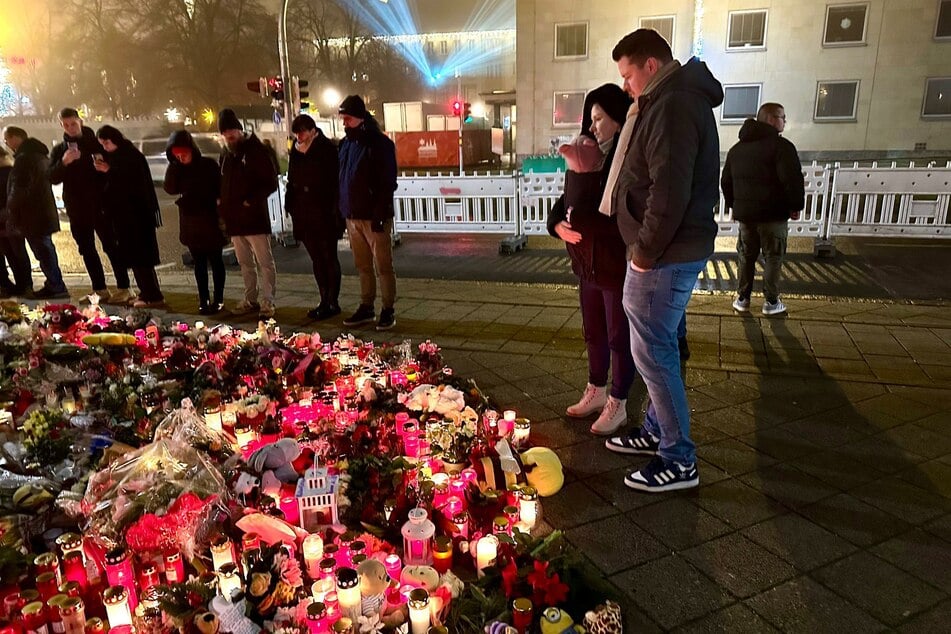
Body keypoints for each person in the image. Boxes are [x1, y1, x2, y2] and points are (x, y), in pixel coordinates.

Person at [602, 29, 722, 492]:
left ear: (651, 66)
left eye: (628, 75)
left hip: (663, 255)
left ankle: (677, 456)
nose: (626, 86)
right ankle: (657, 429)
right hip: (667, 252)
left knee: (653, 352)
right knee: (659, 344)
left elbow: (668, 192)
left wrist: (645, 255)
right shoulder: (674, 98)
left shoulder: (671, 104)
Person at [547, 84, 636, 436]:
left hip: (614, 264)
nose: (594, 126)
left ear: (618, 119)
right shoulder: (586, 155)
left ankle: (619, 400)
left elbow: (622, 217)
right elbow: (563, 202)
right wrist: (557, 225)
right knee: (593, 333)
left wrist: (580, 219)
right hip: (586, 264)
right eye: (591, 118)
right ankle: (596, 390)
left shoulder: (625, 159)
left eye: (600, 118)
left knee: (618, 336)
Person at [722, 102, 804, 316]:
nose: (784, 121)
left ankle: (742, 298)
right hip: (773, 215)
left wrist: (734, 205)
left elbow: (726, 181)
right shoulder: (782, 147)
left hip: (746, 217)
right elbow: (792, 180)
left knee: (746, 256)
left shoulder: (736, 150)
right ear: (770, 119)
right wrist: (795, 205)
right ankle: (771, 302)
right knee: (773, 257)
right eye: (782, 117)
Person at [49, 107, 131, 303]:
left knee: (111, 246)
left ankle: (124, 287)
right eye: (66, 125)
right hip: (76, 208)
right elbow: (52, 177)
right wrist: (64, 162)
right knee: (86, 249)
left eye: (73, 123)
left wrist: (105, 170)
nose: (70, 128)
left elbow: (115, 170)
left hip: (101, 205)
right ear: (61, 125)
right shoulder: (60, 150)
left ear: (81, 122)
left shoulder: (96, 143)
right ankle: (100, 289)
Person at [337, 95, 398, 331]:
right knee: (362, 265)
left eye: (348, 119)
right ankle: (367, 305)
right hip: (352, 214)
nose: (345, 124)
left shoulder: (379, 144)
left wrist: (380, 214)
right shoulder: (346, 144)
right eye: (343, 119)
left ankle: (388, 308)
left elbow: (387, 182)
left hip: (373, 215)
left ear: (360, 118)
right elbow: (341, 178)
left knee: (383, 265)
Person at [217, 108, 279, 320]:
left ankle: (268, 300)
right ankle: (250, 298)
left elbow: (269, 182)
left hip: (253, 217)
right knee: (245, 263)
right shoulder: (226, 154)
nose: (228, 137)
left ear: (239, 130)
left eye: (231, 132)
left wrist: (250, 201)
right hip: (235, 219)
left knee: (264, 261)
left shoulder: (256, 151)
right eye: (225, 134)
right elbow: (223, 181)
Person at [94, 125, 164, 308]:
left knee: (142, 257)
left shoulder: (131, 156)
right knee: (134, 257)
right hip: (123, 217)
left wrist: (110, 171)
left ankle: (152, 294)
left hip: (137, 216)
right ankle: (146, 292)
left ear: (115, 139)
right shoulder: (116, 157)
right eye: (102, 144)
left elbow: (134, 184)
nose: (105, 147)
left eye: (107, 143)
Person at [164, 130, 228, 315]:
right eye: (177, 155)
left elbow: (219, 187)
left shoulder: (207, 165)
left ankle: (219, 298)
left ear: (192, 150)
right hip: (190, 220)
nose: (181, 157)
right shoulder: (177, 168)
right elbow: (170, 188)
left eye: (184, 154)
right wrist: (174, 166)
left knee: (216, 261)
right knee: (199, 263)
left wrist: (218, 203)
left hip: (209, 218)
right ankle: (203, 299)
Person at [2, 126, 69, 299]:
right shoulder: (38, 155)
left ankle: (56, 285)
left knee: (43, 252)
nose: (6, 143)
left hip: (33, 215)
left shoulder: (26, 158)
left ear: (16, 138)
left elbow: (20, 189)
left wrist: (10, 210)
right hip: (41, 213)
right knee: (45, 251)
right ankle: (55, 283)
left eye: (6, 138)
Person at [286, 114, 342, 321]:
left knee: (328, 256)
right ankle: (323, 299)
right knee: (316, 258)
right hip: (304, 212)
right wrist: (290, 203)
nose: (299, 137)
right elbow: (292, 178)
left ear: (311, 130)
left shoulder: (326, 149)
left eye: (301, 133)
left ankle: (332, 301)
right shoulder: (297, 151)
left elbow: (332, 181)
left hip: (324, 212)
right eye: (296, 134)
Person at [0, 145, 31, 297]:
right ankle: (24, 285)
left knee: (11, 254)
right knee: (17, 254)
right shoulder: (11, 171)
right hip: (12, 220)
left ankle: (7, 285)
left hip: (5, 220)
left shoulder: (6, 174)